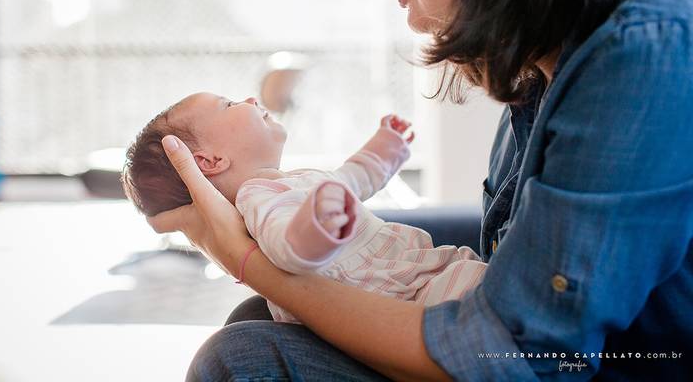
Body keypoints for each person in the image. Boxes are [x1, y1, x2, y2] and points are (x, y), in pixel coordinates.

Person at [146, 0, 693, 380]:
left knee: (242, 357)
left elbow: (518, 353)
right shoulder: (542, 72)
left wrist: (248, 260)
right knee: (256, 316)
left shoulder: (644, 50)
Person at [122, 93, 487, 323]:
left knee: (488, 283)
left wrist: (385, 148)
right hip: (408, 295)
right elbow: (289, 249)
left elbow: (352, 179)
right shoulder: (257, 197)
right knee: (488, 294)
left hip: (412, 279)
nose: (249, 99)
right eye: (230, 105)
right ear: (211, 160)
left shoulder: (285, 182)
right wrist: (318, 223)